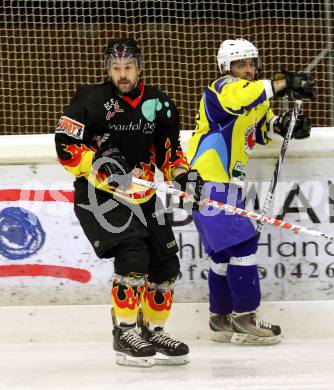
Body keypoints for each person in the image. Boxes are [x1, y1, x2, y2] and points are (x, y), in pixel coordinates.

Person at [55, 38, 202, 367]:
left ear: (139, 67)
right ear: (107, 69)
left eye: (128, 67)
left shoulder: (159, 103)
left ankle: (153, 331)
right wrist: (100, 164)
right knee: (133, 253)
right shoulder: (89, 100)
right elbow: (65, 145)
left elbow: (170, 153)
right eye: (116, 68)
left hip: (145, 194)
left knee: (166, 265)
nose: (122, 74)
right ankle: (124, 332)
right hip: (99, 195)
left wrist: (185, 176)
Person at [187, 38, 315, 345]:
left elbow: (258, 127)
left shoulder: (254, 95)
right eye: (241, 64)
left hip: (225, 184)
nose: (248, 69)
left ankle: (221, 318)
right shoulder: (222, 88)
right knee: (243, 245)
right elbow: (245, 98)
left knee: (224, 254)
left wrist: (285, 126)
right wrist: (286, 83)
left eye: (251, 63)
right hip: (208, 181)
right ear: (227, 68)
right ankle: (245, 317)